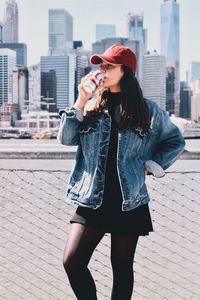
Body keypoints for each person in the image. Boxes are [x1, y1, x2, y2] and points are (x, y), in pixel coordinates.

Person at [57, 44, 185, 300]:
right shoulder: (92, 108)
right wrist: (80, 100)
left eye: (108, 66)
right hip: (92, 198)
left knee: (122, 268)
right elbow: (66, 139)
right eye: (100, 65)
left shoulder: (147, 111)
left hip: (130, 200)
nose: (102, 70)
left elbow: (175, 141)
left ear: (125, 71)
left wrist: (152, 166)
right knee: (72, 261)